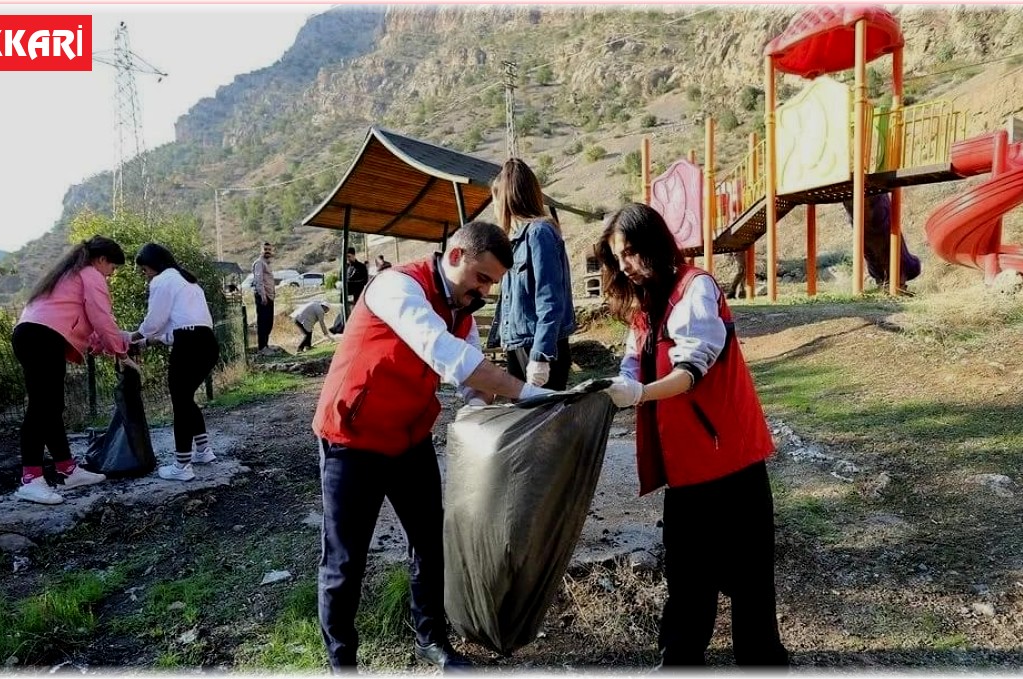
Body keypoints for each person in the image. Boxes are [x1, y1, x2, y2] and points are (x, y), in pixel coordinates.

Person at [312, 221, 553, 672]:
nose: (484, 291)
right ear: (457, 256)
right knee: (345, 561)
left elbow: (471, 380)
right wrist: (528, 392)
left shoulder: (463, 305)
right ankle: (341, 662)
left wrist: (486, 404)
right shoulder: (396, 287)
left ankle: (431, 639)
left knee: (430, 543)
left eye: (493, 284)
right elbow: (447, 355)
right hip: (352, 437)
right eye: (482, 277)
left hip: (408, 439)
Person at [595, 203, 789, 668]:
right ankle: (679, 661)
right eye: (618, 257)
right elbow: (633, 357)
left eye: (630, 254)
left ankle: (761, 663)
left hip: (730, 456)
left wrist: (640, 393)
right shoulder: (646, 302)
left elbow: (691, 371)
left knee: (750, 573)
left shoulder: (695, 288)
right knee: (685, 571)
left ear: (653, 245)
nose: (625, 266)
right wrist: (619, 382)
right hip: (687, 464)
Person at [10, 236, 129, 505]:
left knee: (52, 406)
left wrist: (102, 344)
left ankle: (67, 470)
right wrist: (121, 353)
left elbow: (84, 320)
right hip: (41, 338)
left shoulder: (69, 274)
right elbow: (102, 316)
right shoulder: (90, 274)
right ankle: (31, 479)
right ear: (101, 260)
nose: (111, 275)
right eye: (113, 268)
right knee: (41, 408)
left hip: (33, 335)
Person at [129, 243, 220, 482]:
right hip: (206, 343)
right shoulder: (187, 281)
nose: (145, 276)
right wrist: (146, 342)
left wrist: (133, 337)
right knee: (186, 398)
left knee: (180, 403)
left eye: (144, 270)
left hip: (188, 346)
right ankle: (203, 451)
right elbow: (172, 331)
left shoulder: (161, 281)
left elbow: (154, 323)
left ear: (152, 266)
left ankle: (182, 465)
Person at [491, 157, 577, 391]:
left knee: (541, 421)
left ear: (506, 198)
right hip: (519, 345)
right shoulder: (516, 240)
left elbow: (550, 298)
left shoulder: (539, 234)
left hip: (538, 346)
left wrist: (540, 355)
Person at [252, 242, 276, 354]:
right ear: (261, 250)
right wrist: (263, 296)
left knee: (269, 322)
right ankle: (262, 348)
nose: (267, 251)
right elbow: (259, 280)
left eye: (269, 249)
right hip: (263, 297)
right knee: (263, 322)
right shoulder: (259, 263)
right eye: (265, 249)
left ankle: (266, 345)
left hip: (269, 297)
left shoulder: (268, 264)